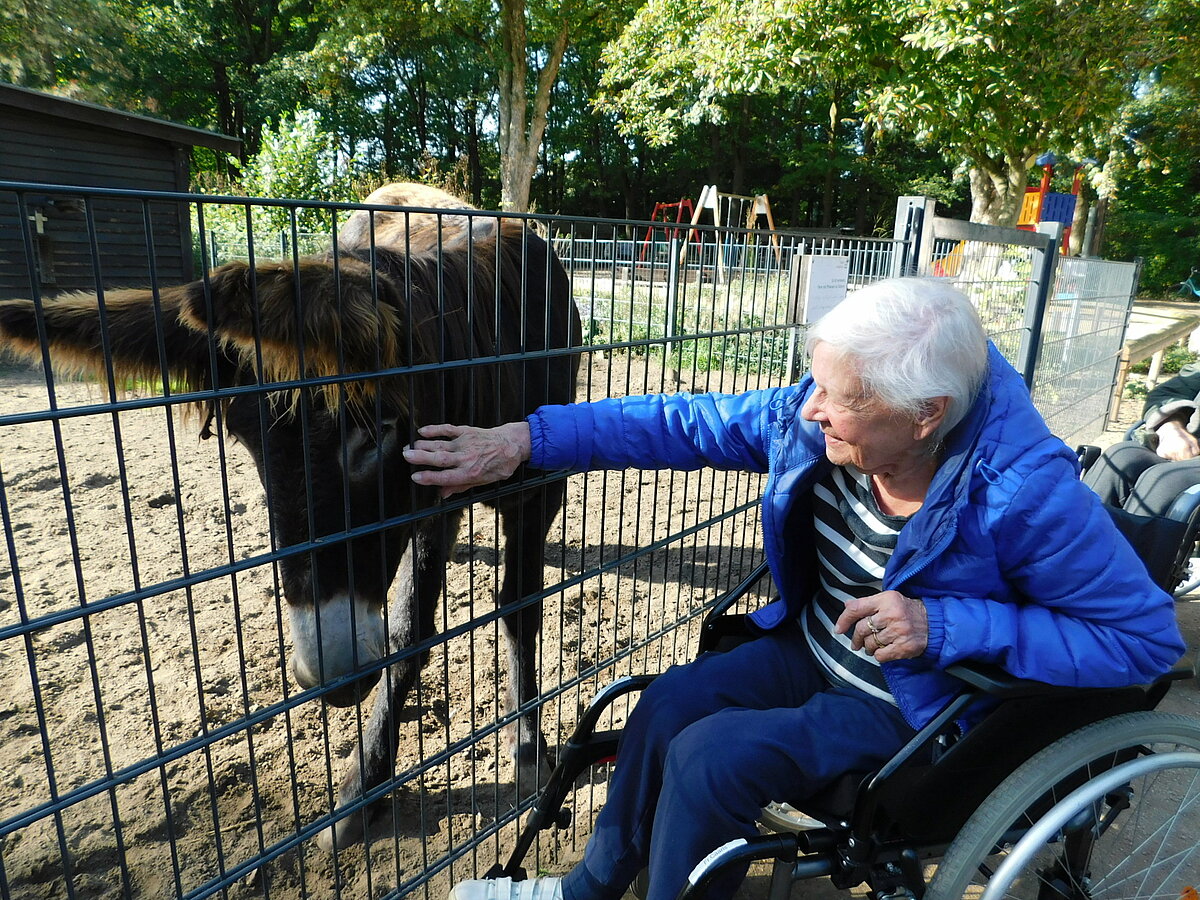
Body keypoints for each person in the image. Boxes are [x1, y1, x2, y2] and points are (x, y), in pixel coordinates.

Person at [401, 278, 1185, 900]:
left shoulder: (1022, 495)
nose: (809, 409)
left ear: (925, 416)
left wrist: (947, 624)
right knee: (671, 702)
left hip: (916, 704)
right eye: (813, 384)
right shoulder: (817, 416)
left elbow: (1145, 640)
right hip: (818, 646)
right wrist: (526, 441)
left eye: (837, 398)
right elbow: (680, 423)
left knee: (715, 754)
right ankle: (587, 890)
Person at [1084, 362, 1200, 517]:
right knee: (1121, 457)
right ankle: (1063, 536)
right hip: (1190, 443)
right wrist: (1172, 425)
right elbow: (1167, 393)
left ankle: (1125, 541)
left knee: (1163, 481)